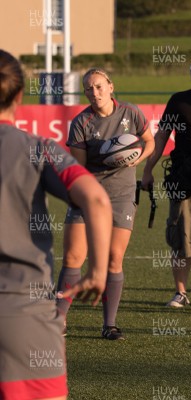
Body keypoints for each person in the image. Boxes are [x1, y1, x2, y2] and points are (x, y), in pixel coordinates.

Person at [0, 49, 112, 400]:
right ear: (19, 97)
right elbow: (95, 198)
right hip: (24, 314)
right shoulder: (37, 148)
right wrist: (97, 271)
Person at [56, 67, 155, 340]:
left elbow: (149, 142)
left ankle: (109, 325)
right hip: (88, 196)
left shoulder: (131, 112)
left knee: (114, 259)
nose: (94, 92)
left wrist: (137, 158)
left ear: (111, 86)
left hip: (122, 196)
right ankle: (58, 320)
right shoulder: (81, 123)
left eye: (99, 86)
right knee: (74, 257)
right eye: (88, 88)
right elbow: (79, 169)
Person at [141, 56, 191, 308]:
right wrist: (148, 169)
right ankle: (181, 292)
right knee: (181, 236)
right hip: (184, 177)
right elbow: (161, 137)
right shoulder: (179, 101)